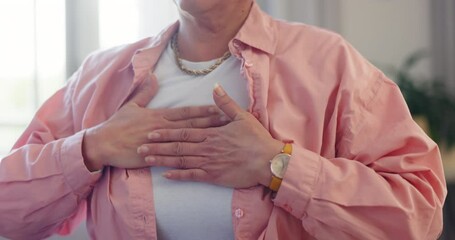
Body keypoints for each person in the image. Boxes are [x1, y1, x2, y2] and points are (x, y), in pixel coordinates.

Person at [0, 0, 447, 239]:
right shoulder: (98, 77)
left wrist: (278, 166)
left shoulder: (331, 65)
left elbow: (419, 216)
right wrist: (89, 148)